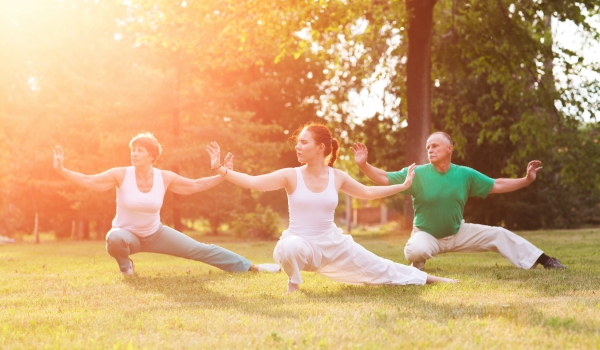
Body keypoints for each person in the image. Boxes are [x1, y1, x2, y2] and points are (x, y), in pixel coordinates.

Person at [206, 123, 458, 293]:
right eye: (298, 142)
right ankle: (294, 282)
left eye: (303, 142)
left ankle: (431, 279)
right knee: (287, 247)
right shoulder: (290, 175)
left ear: (320, 148)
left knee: (382, 267)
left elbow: (368, 193)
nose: (297, 146)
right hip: (300, 241)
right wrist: (221, 169)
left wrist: (403, 186)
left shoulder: (337, 177)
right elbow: (253, 182)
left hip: (333, 243)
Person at [53, 132, 280, 275]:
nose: (134, 154)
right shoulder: (121, 174)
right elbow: (87, 180)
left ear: (152, 155)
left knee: (201, 250)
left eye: (140, 150)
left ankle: (252, 267)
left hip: (155, 234)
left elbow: (195, 185)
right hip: (126, 236)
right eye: (133, 150)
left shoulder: (164, 177)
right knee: (113, 237)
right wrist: (61, 170)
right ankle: (126, 267)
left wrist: (223, 173)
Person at [352, 131, 566, 271]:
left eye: (435, 146)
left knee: (499, 234)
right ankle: (417, 267)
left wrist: (527, 179)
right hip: (427, 234)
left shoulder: (465, 175)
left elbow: (497, 184)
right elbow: (383, 177)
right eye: (428, 147)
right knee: (415, 250)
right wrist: (363, 165)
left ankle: (545, 261)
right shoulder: (417, 173)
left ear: (449, 148)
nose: (430, 150)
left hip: (457, 232)